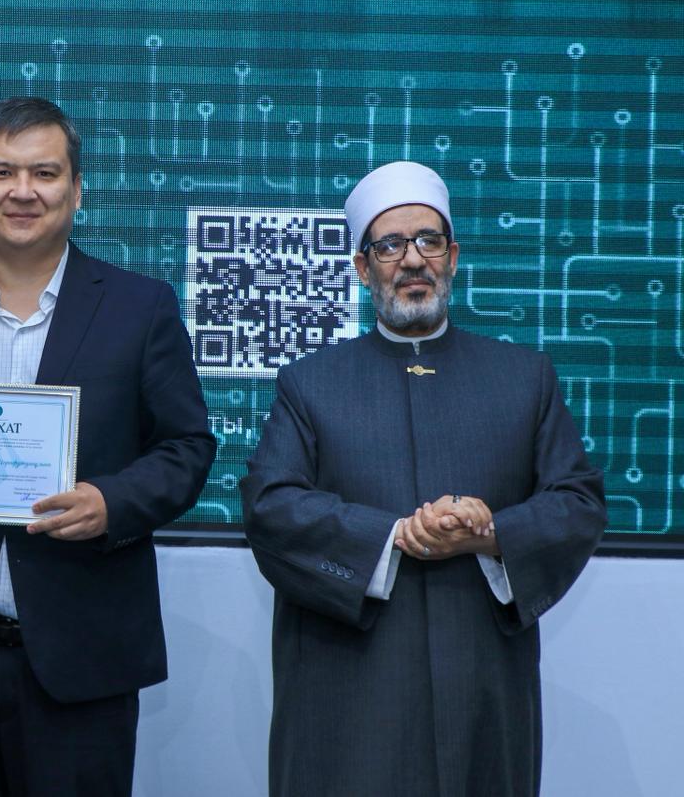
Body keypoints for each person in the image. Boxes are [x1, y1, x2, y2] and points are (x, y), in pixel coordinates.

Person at [0, 97, 216, 795]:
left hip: (84, 659)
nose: (22, 191)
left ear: (76, 190)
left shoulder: (140, 307)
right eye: (1, 172)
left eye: (44, 173)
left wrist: (111, 502)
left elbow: (188, 446)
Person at [241, 160, 607, 797]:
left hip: (481, 680)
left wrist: (491, 534)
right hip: (349, 686)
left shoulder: (524, 377)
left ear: (452, 257)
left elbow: (576, 502)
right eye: (390, 245)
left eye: (428, 241)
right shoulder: (309, 383)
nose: (412, 260)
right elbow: (271, 507)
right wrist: (395, 535)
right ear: (363, 268)